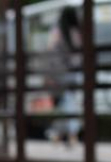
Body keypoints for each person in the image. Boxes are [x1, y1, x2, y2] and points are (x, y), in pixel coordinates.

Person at [46, 6, 82, 147]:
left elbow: (50, 53)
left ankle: (59, 134)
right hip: (74, 73)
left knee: (64, 104)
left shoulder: (57, 32)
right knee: (70, 104)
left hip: (60, 73)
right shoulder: (77, 32)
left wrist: (50, 74)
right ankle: (69, 134)